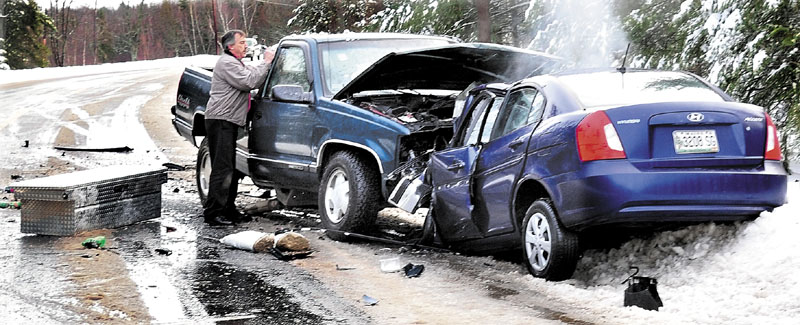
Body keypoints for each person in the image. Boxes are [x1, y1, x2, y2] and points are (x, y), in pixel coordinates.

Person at [202, 29, 275, 226]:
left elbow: (249, 72)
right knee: (223, 167)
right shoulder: (226, 63)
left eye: (245, 42)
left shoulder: (235, 63)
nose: (246, 45)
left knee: (229, 167)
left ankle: (228, 209)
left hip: (228, 121)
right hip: (221, 120)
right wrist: (267, 62)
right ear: (230, 47)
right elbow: (249, 81)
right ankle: (213, 213)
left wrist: (263, 64)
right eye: (242, 42)